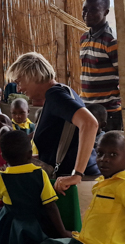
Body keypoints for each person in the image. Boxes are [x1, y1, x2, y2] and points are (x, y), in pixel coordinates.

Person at [9, 52, 99, 200]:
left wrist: (77, 174)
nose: (19, 89)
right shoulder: (61, 92)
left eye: (19, 82)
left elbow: (90, 124)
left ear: (32, 75)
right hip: (71, 182)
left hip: (73, 185)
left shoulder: (55, 95)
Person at [80, 0, 122, 131]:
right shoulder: (84, 38)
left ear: (106, 12)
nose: (87, 14)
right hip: (88, 108)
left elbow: (124, 75)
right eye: (85, 10)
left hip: (108, 112)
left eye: (93, 10)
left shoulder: (111, 40)